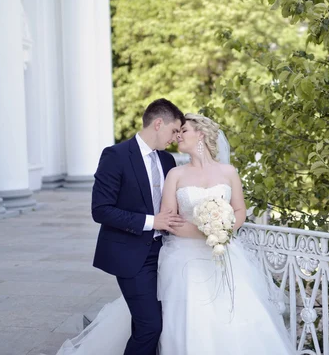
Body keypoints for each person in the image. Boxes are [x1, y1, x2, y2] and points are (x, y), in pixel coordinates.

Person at [58, 113, 295, 355]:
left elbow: (239, 210)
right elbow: (167, 218)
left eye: (184, 131)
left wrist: (222, 230)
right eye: (177, 131)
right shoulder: (175, 173)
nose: (178, 135)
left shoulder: (229, 172)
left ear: (201, 134)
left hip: (225, 254)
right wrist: (207, 232)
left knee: (237, 316)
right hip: (185, 258)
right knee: (182, 320)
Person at [57, 99, 186, 355]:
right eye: (174, 130)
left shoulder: (168, 161)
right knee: (150, 325)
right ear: (158, 123)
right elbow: (100, 210)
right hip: (132, 254)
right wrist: (152, 222)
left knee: (156, 323)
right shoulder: (115, 156)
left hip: (168, 255)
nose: (176, 137)